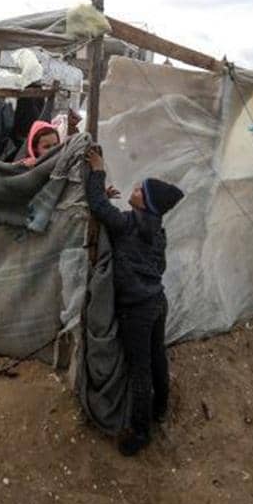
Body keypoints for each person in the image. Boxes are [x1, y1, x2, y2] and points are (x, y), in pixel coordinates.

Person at [84, 146, 184, 456]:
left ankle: (141, 432)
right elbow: (162, 267)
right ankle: (160, 408)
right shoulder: (156, 230)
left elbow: (98, 205)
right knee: (157, 358)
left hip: (137, 311)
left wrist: (98, 169)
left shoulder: (126, 225)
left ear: (146, 203)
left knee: (140, 368)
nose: (135, 190)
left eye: (140, 190)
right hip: (156, 302)